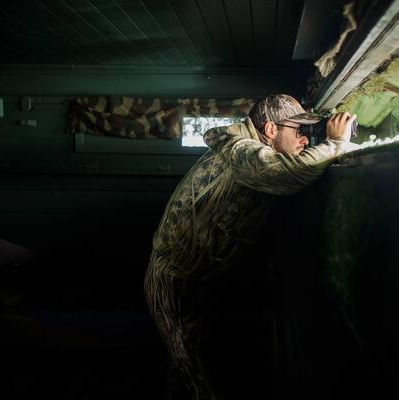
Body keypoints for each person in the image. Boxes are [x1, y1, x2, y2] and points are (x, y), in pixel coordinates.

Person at [144, 94, 360, 399]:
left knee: (191, 365)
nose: (304, 138)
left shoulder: (252, 149)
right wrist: (336, 142)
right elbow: (289, 173)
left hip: (198, 276)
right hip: (176, 279)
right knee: (198, 375)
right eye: (297, 130)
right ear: (270, 130)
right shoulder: (242, 152)